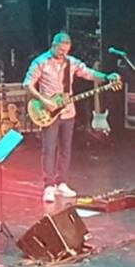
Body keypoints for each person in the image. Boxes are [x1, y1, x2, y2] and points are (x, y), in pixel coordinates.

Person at [23, 32, 120, 203]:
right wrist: (44, 101)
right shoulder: (40, 62)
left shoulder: (71, 62)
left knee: (66, 148)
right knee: (49, 148)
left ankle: (61, 182)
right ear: (53, 45)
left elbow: (88, 73)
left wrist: (106, 77)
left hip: (68, 111)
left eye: (66, 51)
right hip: (48, 112)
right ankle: (49, 186)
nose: (63, 54)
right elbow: (27, 84)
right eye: (60, 50)